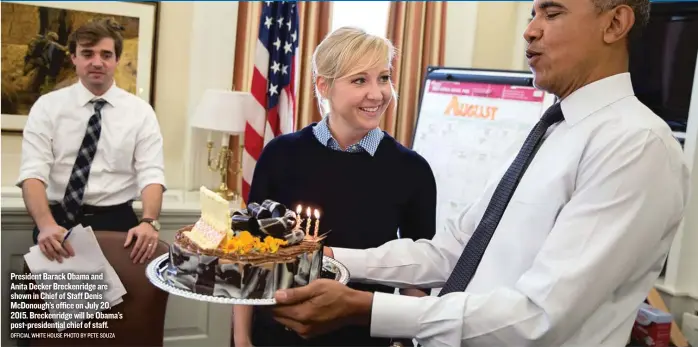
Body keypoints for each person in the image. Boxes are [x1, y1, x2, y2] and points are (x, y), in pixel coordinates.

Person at [270, 0, 692, 346]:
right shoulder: (545, 131)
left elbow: (539, 317)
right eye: (532, 14)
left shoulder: (636, 146)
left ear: (615, 22)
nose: (530, 30)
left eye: (553, 12)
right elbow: (451, 253)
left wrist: (363, 308)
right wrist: (325, 256)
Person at [233, 26, 438, 347]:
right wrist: (241, 339)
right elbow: (250, 255)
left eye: (383, 77)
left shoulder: (412, 169)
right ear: (323, 85)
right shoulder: (280, 155)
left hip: (363, 339)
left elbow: (418, 276)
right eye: (360, 80)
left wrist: (403, 340)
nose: (377, 93)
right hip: (276, 335)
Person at [17, 18, 166, 265]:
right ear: (73, 57)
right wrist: (45, 225)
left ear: (116, 60)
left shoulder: (141, 112)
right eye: (87, 53)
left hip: (118, 224)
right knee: (61, 305)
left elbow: (151, 173)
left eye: (106, 54)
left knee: (122, 304)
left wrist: (149, 222)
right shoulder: (47, 107)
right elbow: (33, 173)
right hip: (57, 225)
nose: (97, 62)